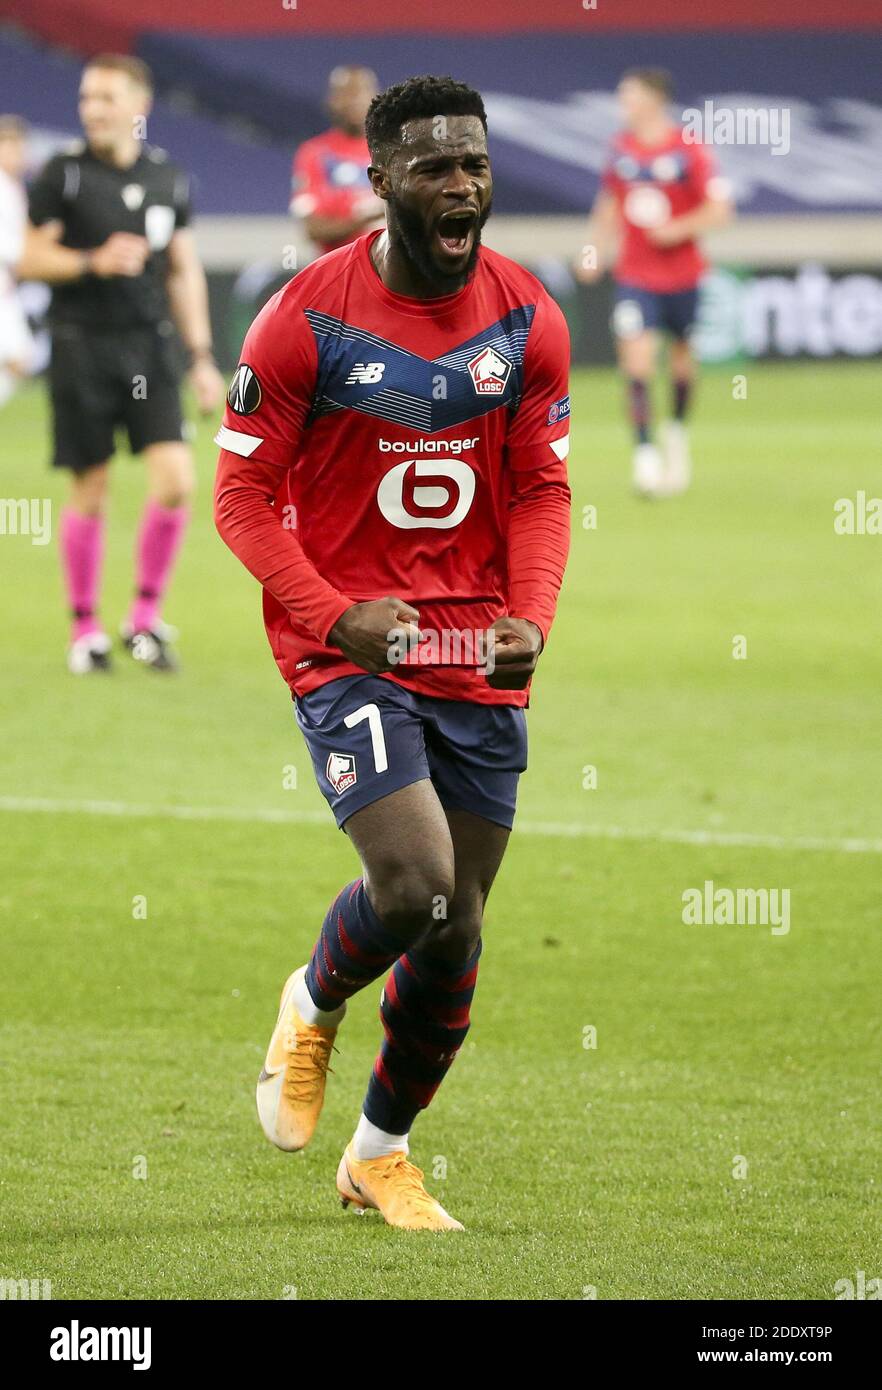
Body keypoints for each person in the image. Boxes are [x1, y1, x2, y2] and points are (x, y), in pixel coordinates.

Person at [215, 75, 571, 1231]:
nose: (460, 184)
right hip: (348, 645)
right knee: (414, 885)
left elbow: (542, 489)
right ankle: (311, 1001)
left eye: (473, 162)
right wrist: (331, 613)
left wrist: (533, 615)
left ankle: (380, 1153)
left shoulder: (529, 319)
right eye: (432, 166)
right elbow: (242, 497)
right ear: (377, 181)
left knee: (460, 923)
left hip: (472, 646)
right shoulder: (303, 317)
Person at [19, 53, 224, 673]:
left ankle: (144, 619)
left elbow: (183, 270)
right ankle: (85, 628)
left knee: (177, 481)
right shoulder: (63, 174)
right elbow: (28, 259)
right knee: (92, 487)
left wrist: (202, 357)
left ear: (140, 107)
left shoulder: (168, 177)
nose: (93, 111)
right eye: (86, 99)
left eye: (106, 99)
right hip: (83, 347)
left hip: (151, 349)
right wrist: (92, 261)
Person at [578, 67, 733, 496]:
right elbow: (610, 203)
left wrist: (676, 229)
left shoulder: (689, 152)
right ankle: (645, 456)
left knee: (682, 360)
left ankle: (677, 435)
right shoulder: (621, 151)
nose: (622, 102)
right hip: (636, 276)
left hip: (683, 276)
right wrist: (593, 250)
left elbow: (721, 210)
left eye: (628, 94)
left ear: (652, 99)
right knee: (637, 358)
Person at [290, 65, 386, 258]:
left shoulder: (394, 150)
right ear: (331, 101)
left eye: (362, 92)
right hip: (338, 271)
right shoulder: (314, 154)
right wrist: (372, 215)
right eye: (346, 94)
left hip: (392, 275)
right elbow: (314, 229)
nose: (355, 100)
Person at [0, 115, 36, 407]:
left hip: (6, 289)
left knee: (20, 359)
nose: (16, 154)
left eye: (19, 147)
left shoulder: (13, 187)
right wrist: (28, 255)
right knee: (20, 358)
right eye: (9, 146)